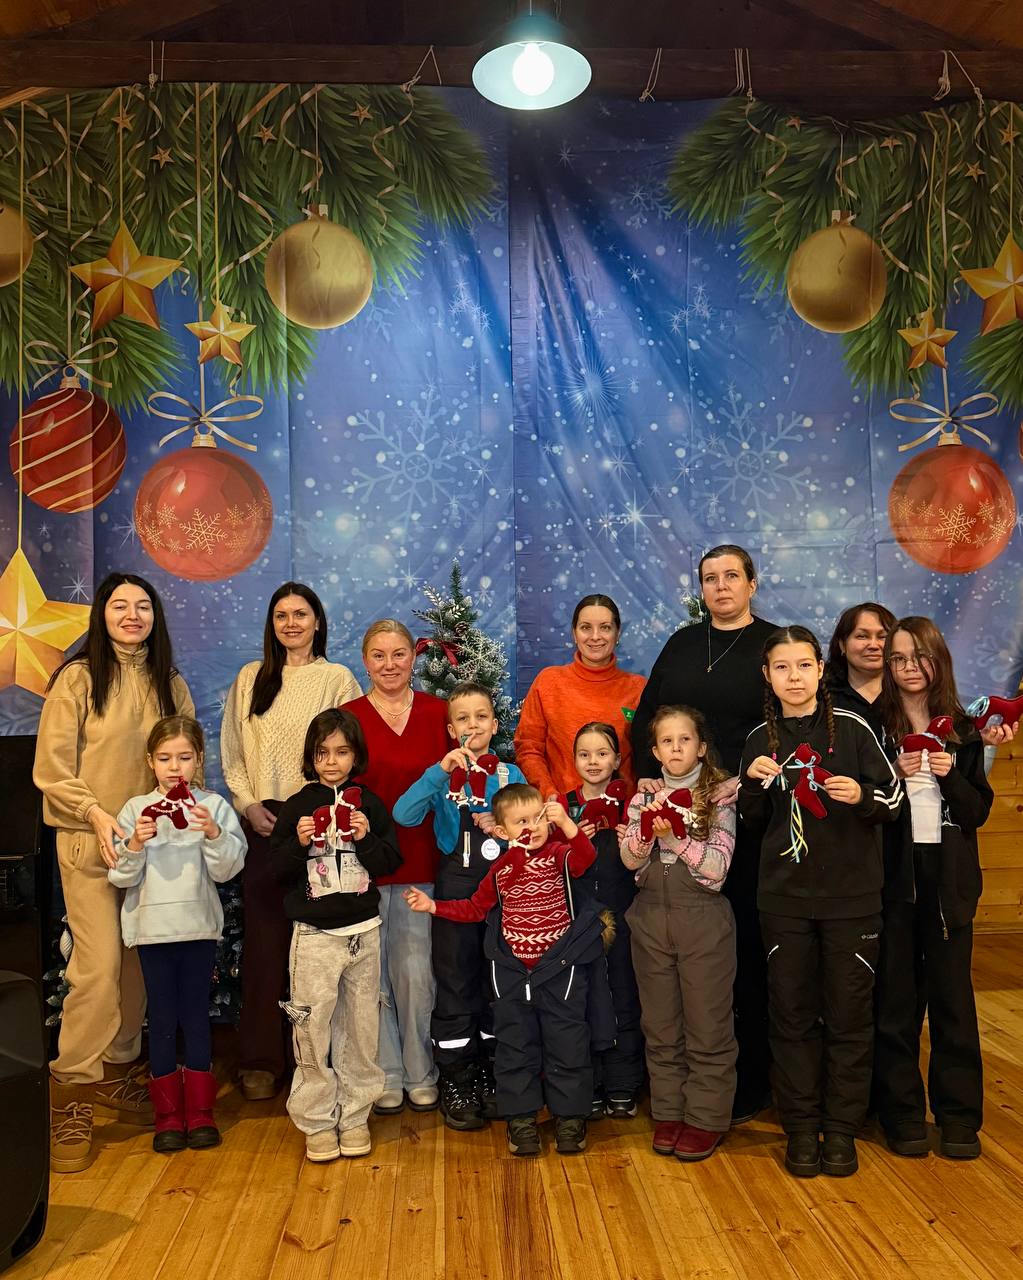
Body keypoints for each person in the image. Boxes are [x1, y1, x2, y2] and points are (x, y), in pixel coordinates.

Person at [34, 572, 195, 1173]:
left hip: (154, 851)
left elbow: (188, 762)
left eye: (143, 606)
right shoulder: (77, 679)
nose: (132, 615)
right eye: (120, 606)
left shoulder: (168, 683)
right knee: (98, 970)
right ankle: (72, 1087)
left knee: (135, 969)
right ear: (101, 614)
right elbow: (52, 771)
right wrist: (95, 814)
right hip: (91, 846)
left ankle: (116, 1070)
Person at [739, 626, 902, 1179]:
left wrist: (862, 795)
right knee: (790, 1016)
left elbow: (893, 798)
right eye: (782, 668)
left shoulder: (854, 727)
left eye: (804, 665)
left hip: (851, 901)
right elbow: (751, 823)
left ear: (820, 670)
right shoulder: (758, 739)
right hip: (783, 901)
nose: (794, 677)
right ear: (768, 676)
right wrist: (752, 786)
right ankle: (802, 1126)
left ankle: (842, 1128)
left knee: (850, 1017)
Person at [631, 544, 777, 1122]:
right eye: (710, 578)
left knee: (743, 951)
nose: (721, 587)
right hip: (679, 810)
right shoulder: (683, 644)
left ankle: (748, 1082)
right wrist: (644, 779)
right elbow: (648, 717)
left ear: (752, 584)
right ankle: (678, 1088)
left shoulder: (771, 644)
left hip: (746, 812)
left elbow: (791, 721)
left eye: (731, 576)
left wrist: (749, 778)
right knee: (681, 964)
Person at [404, 784, 611, 1158]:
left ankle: (569, 1118)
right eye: (521, 822)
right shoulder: (501, 869)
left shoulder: (557, 855)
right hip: (515, 977)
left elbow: (585, 857)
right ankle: (521, 1119)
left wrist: (567, 824)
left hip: (559, 973)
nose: (532, 827)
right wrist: (433, 907)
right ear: (502, 832)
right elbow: (474, 908)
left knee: (568, 1045)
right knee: (516, 1048)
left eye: (537, 819)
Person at [221, 582, 361, 1102]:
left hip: (321, 821)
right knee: (266, 944)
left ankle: (320, 1060)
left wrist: (329, 810)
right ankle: (261, 1059)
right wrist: (247, 804)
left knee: (322, 947)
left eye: (301, 614)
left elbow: (349, 753)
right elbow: (233, 754)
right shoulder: (250, 678)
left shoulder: (336, 679)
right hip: (264, 823)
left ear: (317, 621)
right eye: (281, 615)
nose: (291, 624)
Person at [873, 617, 1000, 1161]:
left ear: (937, 659)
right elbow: (865, 807)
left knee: (953, 1002)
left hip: (948, 879)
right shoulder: (875, 724)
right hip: (895, 877)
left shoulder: (964, 729)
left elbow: (977, 812)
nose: (909, 668)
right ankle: (902, 1114)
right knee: (896, 1002)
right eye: (898, 658)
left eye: (919, 656)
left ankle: (959, 1116)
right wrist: (894, 775)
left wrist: (948, 774)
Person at [392, 681, 526, 1131]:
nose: (473, 725)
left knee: (497, 984)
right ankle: (458, 1079)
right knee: (455, 984)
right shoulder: (443, 775)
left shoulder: (510, 775)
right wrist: (438, 771)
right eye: (463, 719)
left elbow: (531, 829)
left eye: (481, 716)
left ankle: (492, 1075)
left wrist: (504, 827)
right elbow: (404, 814)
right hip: (455, 888)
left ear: (495, 723)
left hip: (505, 892)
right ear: (451, 730)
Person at [108, 716, 246, 1153]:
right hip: (152, 933)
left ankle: (201, 1113)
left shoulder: (213, 807)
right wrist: (135, 844)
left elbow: (228, 869)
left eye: (184, 757)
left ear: (198, 759)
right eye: (165, 758)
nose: (175, 767)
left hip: (198, 929)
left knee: (196, 1017)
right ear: (150, 761)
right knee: (163, 1020)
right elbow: (120, 876)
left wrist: (213, 833)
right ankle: (167, 1116)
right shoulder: (134, 809)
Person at [270, 709, 402, 1162]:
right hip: (313, 937)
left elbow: (389, 862)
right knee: (311, 1029)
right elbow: (276, 870)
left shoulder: (370, 804)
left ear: (356, 756)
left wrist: (365, 837)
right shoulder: (297, 806)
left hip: (363, 933)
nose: (331, 761)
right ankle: (317, 1121)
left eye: (341, 752)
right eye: (322, 752)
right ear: (311, 757)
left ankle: (355, 1115)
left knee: (362, 1029)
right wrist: (298, 842)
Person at [347, 620, 455, 1114]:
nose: (389, 665)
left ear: (414, 657)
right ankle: (385, 1073)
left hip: (423, 861)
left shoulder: (438, 714)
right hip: (364, 865)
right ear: (365, 661)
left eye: (399, 654)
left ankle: (419, 1069)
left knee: (415, 973)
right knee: (370, 977)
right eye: (378, 655)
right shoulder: (348, 718)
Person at [621, 706, 737, 1161]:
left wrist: (675, 840)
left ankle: (706, 1117)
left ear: (701, 747)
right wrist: (648, 832)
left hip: (702, 920)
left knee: (707, 1024)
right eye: (666, 741)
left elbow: (718, 869)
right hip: (650, 918)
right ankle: (669, 1111)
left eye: (684, 740)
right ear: (655, 751)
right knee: (660, 1024)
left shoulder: (720, 797)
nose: (676, 748)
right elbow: (630, 859)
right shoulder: (643, 797)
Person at [560, 722, 644, 1119]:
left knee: (623, 994)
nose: (593, 762)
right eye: (584, 754)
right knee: (582, 1000)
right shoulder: (563, 806)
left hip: (622, 916)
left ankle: (623, 1081)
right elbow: (551, 864)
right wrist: (572, 837)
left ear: (617, 759)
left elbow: (644, 858)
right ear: (574, 760)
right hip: (578, 921)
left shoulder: (633, 804)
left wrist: (632, 840)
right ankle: (588, 1082)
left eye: (602, 753)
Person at [514, 594, 646, 799]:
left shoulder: (638, 688)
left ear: (617, 633)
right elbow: (528, 748)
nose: (595, 636)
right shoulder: (548, 682)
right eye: (586, 627)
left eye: (605, 627)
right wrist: (549, 793)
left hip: (623, 812)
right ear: (574, 634)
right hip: (561, 809)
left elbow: (651, 752)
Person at [825, 602, 896, 736]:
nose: (873, 645)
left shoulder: (907, 695)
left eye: (883, 637)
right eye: (862, 636)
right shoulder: (823, 697)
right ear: (842, 645)